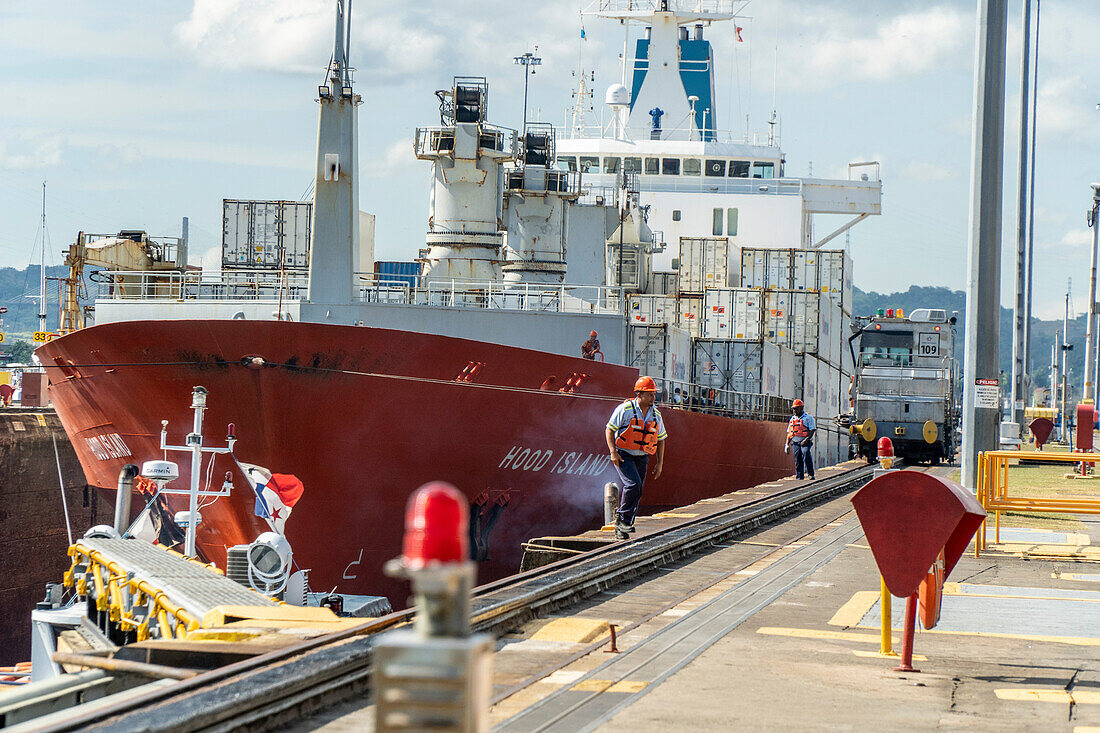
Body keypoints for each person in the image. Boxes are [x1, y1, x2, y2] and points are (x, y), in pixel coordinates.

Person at [605, 376, 667, 540]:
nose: (654, 398)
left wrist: (659, 463)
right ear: (639, 394)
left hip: (642, 457)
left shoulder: (656, 415)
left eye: (654, 394)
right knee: (633, 485)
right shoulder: (624, 410)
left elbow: (661, 439)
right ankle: (622, 520)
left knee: (638, 490)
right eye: (650, 394)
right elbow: (609, 430)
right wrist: (613, 452)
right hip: (624, 456)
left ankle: (624, 526)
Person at [785, 399, 816, 480]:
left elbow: (812, 429)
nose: (795, 410)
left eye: (796, 408)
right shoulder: (792, 419)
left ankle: (811, 474)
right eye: (794, 409)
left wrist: (806, 440)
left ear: (801, 408)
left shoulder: (808, 418)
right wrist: (787, 444)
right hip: (795, 442)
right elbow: (789, 432)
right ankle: (799, 476)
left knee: (806, 453)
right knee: (797, 459)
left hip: (805, 441)